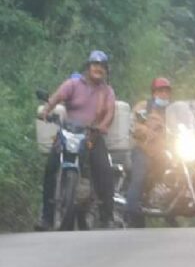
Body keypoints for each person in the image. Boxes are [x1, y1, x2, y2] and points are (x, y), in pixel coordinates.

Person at [35, 50, 116, 231]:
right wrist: (46, 111)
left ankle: (107, 217)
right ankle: (46, 218)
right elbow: (56, 97)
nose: (98, 69)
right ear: (88, 67)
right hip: (68, 132)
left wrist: (102, 126)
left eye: (102, 66)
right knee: (50, 168)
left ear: (105, 70)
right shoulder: (73, 84)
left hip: (92, 135)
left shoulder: (107, 91)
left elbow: (110, 112)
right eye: (95, 65)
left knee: (105, 171)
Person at [125, 77, 173, 228]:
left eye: (166, 91)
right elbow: (134, 123)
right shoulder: (144, 106)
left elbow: (182, 123)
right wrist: (145, 130)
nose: (164, 94)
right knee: (139, 176)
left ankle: (171, 208)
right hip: (143, 149)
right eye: (160, 91)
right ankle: (131, 212)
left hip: (164, 152)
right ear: (154, 93)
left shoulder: (171, 110)